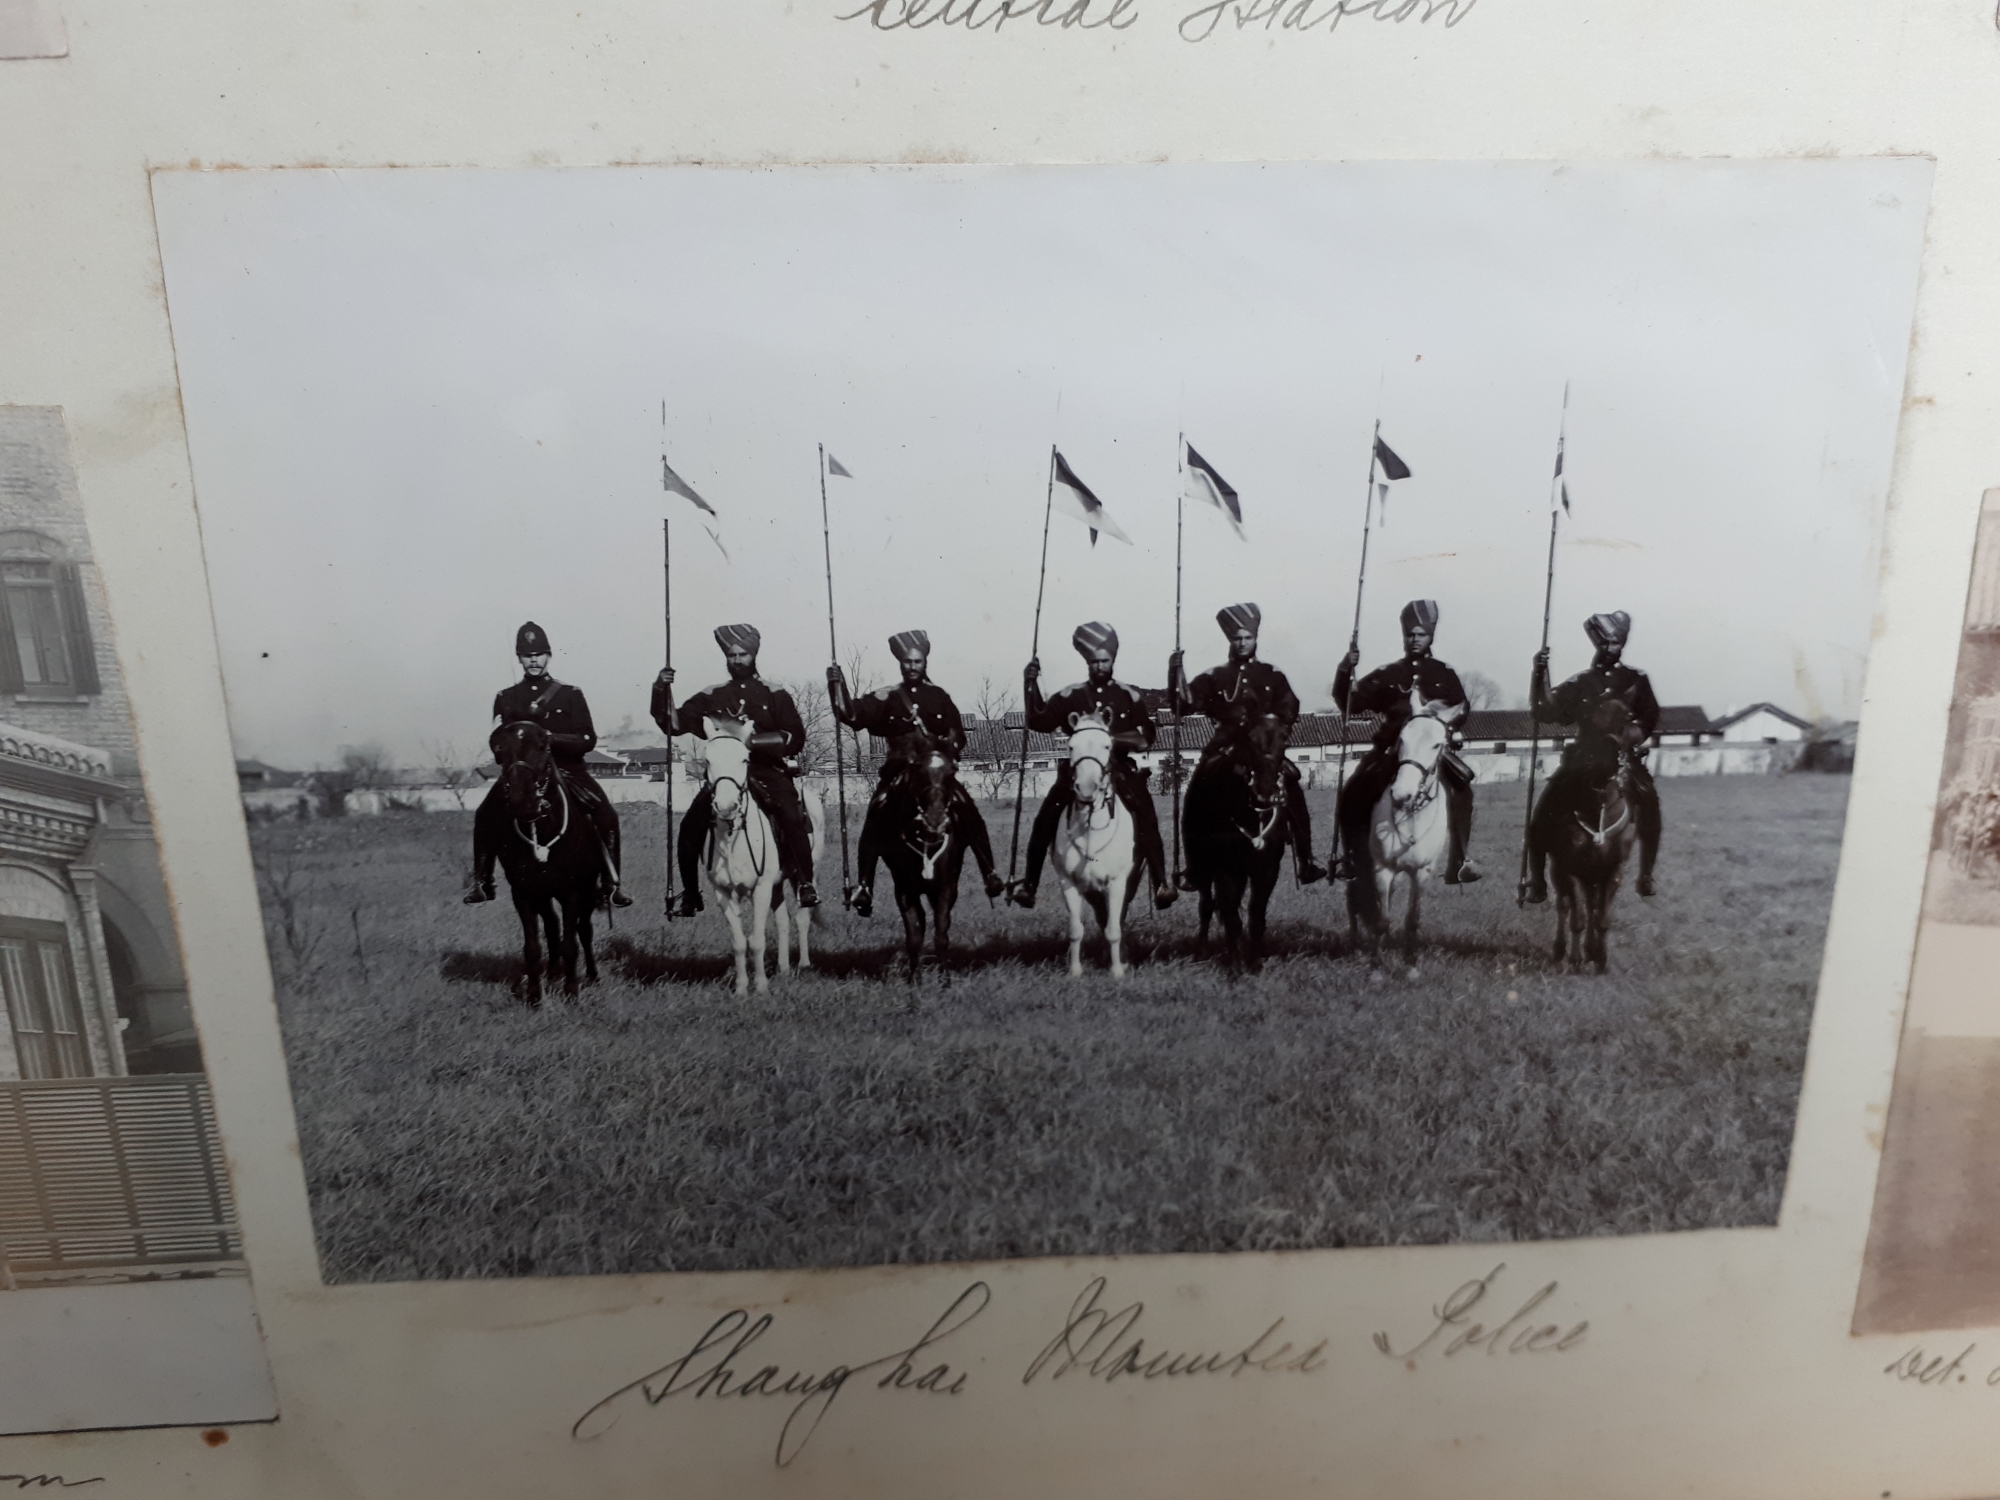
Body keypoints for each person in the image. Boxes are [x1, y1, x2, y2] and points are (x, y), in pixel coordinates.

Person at [828, 629, 1006, 918]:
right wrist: (837, 685)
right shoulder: (885, 696)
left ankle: (990, 873)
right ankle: (864, 886)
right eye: (907, 662)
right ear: (900, 663)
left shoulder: (939, 696)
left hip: (935, 774)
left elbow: (958, 733)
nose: (912, 666)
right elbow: (851, 715)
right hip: (899, 773)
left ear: (925, 663)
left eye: (918, 661)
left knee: (969, 810)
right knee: (875, 815)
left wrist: (950, 745)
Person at [652, 623, 819, 917]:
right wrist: (660, 690)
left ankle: (805, 882)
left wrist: (754, 742)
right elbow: (674, 724)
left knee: (792, 817)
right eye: (732, 655)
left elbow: (795, 736)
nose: (737, 660)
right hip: (724, 775)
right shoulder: (711, 694)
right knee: (689, 827)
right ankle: (691, 894)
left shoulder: (774, 693)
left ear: (753, 655)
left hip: (767, 771)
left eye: (742, 654)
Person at [1008, 621, 1176, 912]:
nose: (1100, 666)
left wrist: (1109, 738)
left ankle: (1161, 882)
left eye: (1105, 661)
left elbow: (1146, 737)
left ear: (1113, 660)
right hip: (1076, 773)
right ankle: (1030, 884)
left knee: (1146, 814)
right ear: (1087, 661)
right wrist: (1030, 684)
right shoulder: (1068, 696)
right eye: (1095, 661)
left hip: (1119, 768)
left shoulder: (1129, 695)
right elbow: (1039, 721)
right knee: (1046, 817)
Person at [465, 620, 631, 907]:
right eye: (527, 655)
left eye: (539, 654)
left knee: (607, 814)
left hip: (569, 772)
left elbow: (587, 738)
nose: (533, 660)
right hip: (523, 775)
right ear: (519, 658)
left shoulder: (570, 694)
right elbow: (496, 739)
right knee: (485, 814)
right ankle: (483, 880)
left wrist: (551, 739)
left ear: (549, 655)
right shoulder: (506, 698)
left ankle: (611, 883)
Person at [1167, 603, 1326, 888]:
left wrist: (1275, 734)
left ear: (1255, 639)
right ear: (1230, 640)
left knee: (1294, 792)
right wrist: (1175, 673)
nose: (1242, 643)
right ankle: (1195, 868)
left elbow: (1290, 708)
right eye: (1237, 638)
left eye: (1247, 638)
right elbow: (1184, 705)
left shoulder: (1272, 674)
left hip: (1264, 751)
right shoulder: (1214, 676)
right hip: (1224, 749)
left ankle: (1307, 861)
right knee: (1195, 795)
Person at [1330, 599, 1481, 886]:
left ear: (1430, 636)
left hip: (1428, 753)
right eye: (1410, 634)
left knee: (1463, 788)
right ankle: (1351, 857)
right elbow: (1349, 703)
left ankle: (1459, 861)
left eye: (1420, 634)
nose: (1414, 640)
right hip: (1390, 750)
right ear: (1404, 636)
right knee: (1354, 789)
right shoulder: (1388, 674)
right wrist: (1344, 671)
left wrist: (1445, 727)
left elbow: (1462, 708)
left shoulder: (1443, 673)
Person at [1523, 610, 1662, 902]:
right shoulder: (1582, 682)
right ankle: (1537, 881)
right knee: (1543, 812)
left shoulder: (1636, 680)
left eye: (1614, 642)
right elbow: (1546, 710)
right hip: (1582, 760)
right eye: (1603, 641)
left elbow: (1649, 718)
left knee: (1649, 800)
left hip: (1623, 758)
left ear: (1621, 643)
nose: (1608, 647)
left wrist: (1626, 738)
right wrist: (1540, 673)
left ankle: (1646, 874)